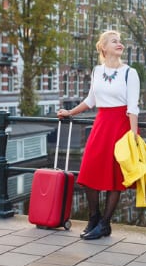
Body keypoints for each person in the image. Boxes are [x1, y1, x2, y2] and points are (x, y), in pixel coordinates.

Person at [57, 30, 140, 240]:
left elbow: (133, 107)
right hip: (101, 124)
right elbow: (90, 100)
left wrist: (134, 136)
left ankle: (105, 224)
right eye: (114, 41)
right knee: (89, 172)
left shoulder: (130, 73)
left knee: (115, 177)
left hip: (121, 126)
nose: (119, 44)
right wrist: (69, 112)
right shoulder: (96, 71)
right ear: (103, 47)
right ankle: (93, 217)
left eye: (120, 41)